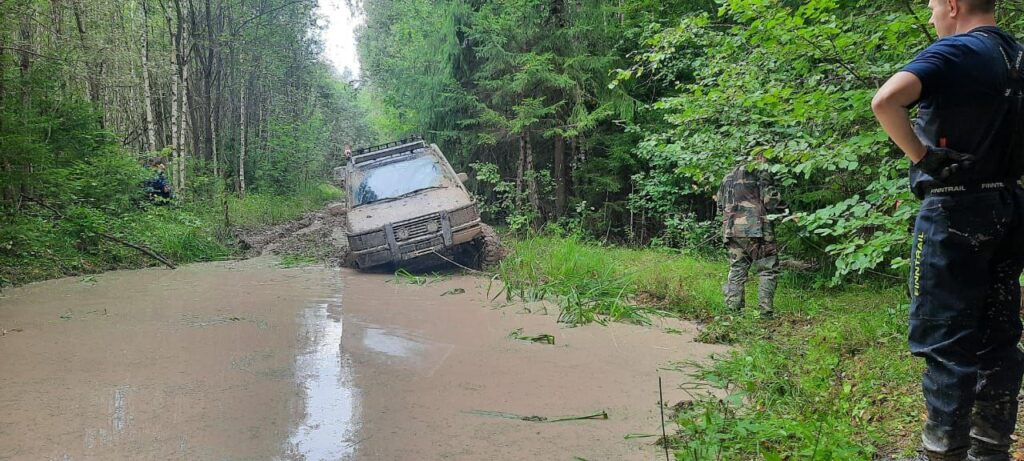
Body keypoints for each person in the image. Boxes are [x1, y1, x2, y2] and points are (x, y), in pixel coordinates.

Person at [871, 0, 1024, 459]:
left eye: (936, 5)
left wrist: (923, 157)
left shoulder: (956, 51)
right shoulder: (1018, 56)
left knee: (946, 339)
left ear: (954, 5)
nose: (934, 14)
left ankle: (941, 451)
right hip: (1010, 207)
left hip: (955, 210)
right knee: (1000, 336)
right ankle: (990, 450)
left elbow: (885, 100)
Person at [715, 153, 783, 319]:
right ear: (759, 156)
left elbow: (719, 205)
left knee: (737, 270)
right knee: (767, 270)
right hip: (757, 230)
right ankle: (765, 315)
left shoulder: (728, 176)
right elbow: (770, 201)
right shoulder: (760, 171)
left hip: (732, 231)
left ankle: (733, 314)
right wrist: (787, 212)